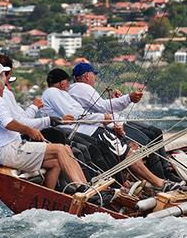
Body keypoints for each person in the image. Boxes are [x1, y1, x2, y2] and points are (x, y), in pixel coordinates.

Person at [42, 68, 174, 190]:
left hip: (90, 129)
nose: (69, 86)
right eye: (68, 83)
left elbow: (82, 112)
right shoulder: (54, 92)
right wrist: (103, 118)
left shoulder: (59, 94)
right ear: (63, 83)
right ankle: (159, 183)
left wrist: (105, 121)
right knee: (126, 151)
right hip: (88, 130)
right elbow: (75, 115)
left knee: (120, 152)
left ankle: (125, 184)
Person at [0, 71, 88, 192]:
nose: (3, 91)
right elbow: (7, 123)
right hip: (11, 151)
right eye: (3, 88)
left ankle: (47, 198)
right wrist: (30, 131)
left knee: (56, 161)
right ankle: (83, 189)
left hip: (2, 155)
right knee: (60, 149)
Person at [69, 62, 176, 180]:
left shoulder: (78, 90)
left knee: (155, 132)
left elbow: (98, 108)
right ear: (87, 75)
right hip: (113, 126)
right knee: (148, 143)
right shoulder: (81, 87)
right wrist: (128, 98)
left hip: (117, 122)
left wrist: (115, 100)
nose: (95, 78)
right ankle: (164, 179)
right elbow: (104, 107)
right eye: (94, 75)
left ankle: (166, 171)